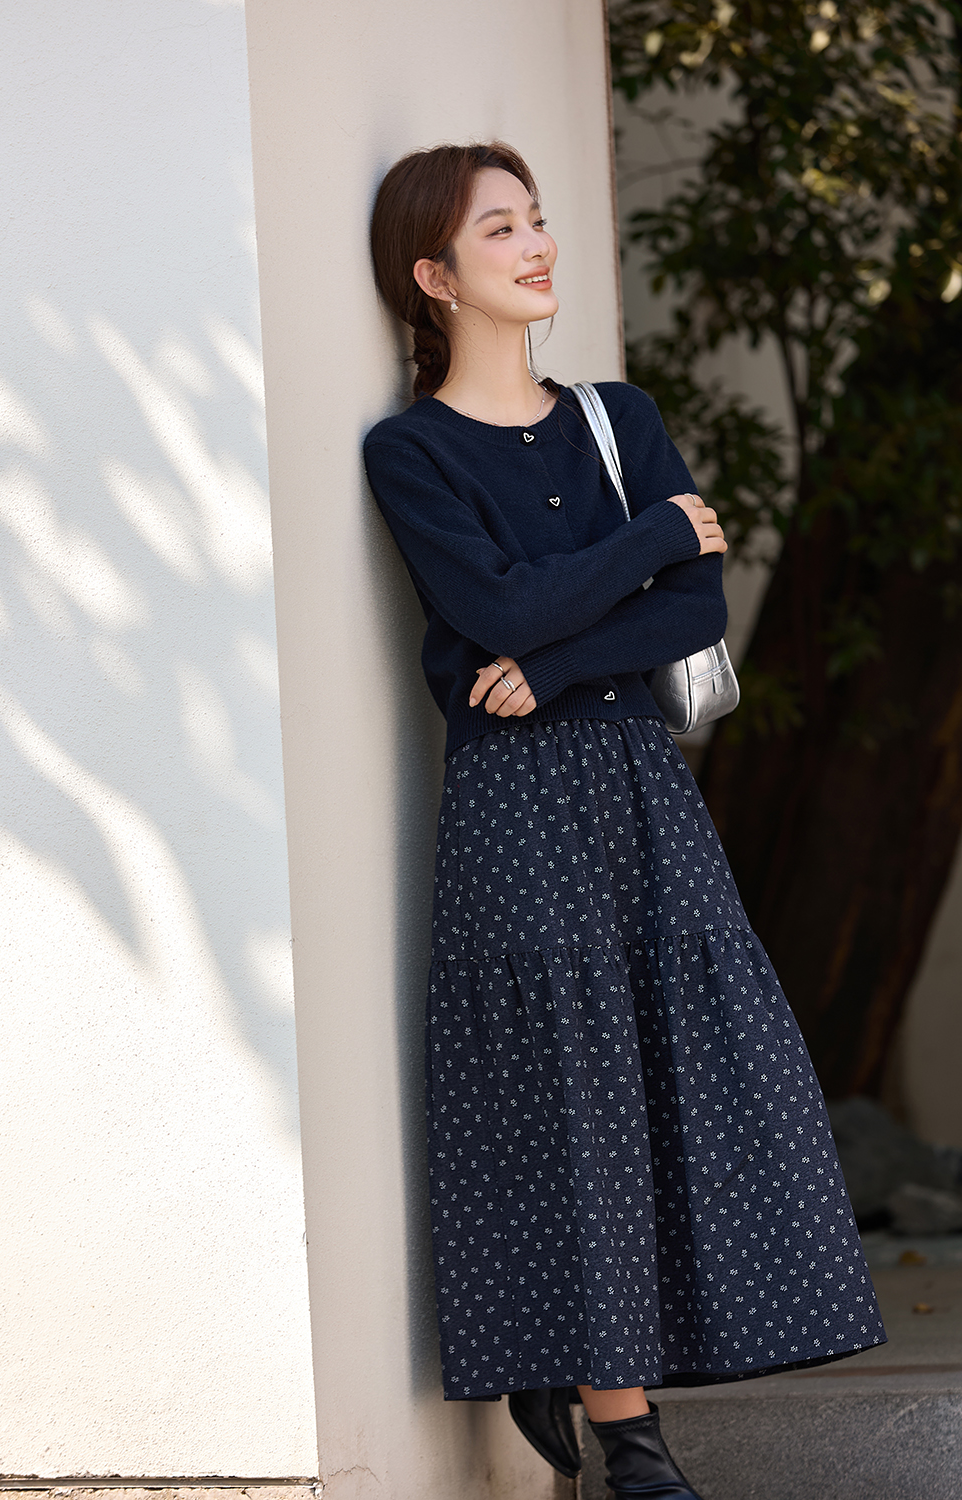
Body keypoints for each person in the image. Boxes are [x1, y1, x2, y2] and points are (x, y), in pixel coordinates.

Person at [364, 141, 885, 1499]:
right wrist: (654, 538)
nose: (538, 245)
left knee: (679, 1066)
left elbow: (695, 618)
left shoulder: (617, 416)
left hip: (638, 787)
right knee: (566, 1091)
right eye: (501, 230)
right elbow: (499, 609)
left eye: (537, 221)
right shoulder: (410, 451)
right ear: (434, 277)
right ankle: (630, 1438)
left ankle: (583, 1360)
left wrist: (553, 660)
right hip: (513, 806)